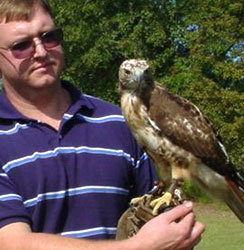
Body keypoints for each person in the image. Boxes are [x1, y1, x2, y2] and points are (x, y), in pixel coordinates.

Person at [0, 0, 205, 249]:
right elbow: (12, 243)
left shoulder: (119, 122)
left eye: (49, 36)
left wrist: (176, 232)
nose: (41, 51)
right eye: (21, 46)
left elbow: (158, 217)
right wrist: (139, 247)